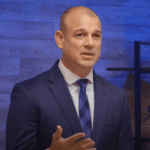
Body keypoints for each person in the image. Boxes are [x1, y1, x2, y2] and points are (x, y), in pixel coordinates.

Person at [6, 6, 134, 150]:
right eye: (80, 35)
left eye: (96, 36)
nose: (90, 43)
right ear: (60, 39)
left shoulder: (117, 97)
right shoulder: (28, 94)